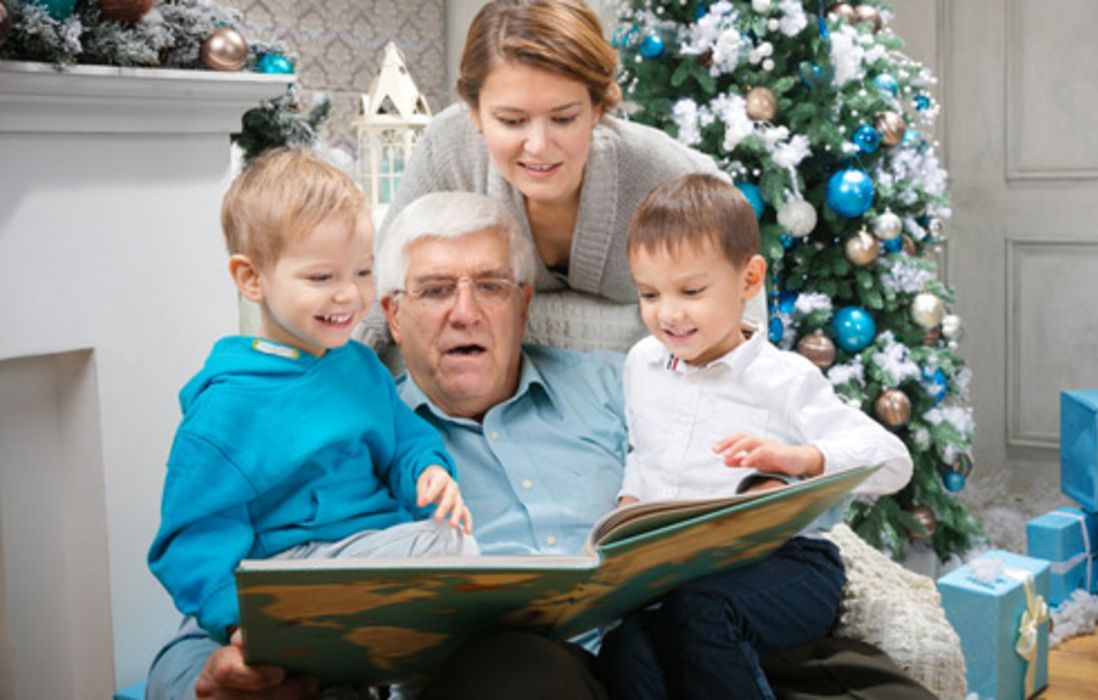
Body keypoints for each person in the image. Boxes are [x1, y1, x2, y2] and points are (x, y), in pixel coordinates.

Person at [147, 192, 936, 700]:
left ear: (524, 301)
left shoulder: (621, 380)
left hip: (695, 633)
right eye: (433, 290)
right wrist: (203, 678)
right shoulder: (356, 436)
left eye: (490, 285)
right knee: (510, 672)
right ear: (387, 307)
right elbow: (242, 583)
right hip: (544, 679)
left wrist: (772, 489)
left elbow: (754, 435)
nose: (464, 312)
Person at [145, 151, 474, 699]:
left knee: (451, 546)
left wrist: (428, 471)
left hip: (376, 549)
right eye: (321, 277)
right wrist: (238, 620)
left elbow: (405, 441)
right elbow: (190, 536)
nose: (349, 294)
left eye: (363, 271)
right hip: (291, 577)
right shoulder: (227, 408)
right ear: (251, 278)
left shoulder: (360, 366)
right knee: (446, 553)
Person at [597, 174, 914, 699]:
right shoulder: (642, 364)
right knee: (627, 645)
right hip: (681, 572)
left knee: (701, 612)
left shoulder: (784, 378)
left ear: (748, 280)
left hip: (787, 566)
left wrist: (800, 459)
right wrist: (630, 504)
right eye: (649, 294)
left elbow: (892, 460)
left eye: (692, 291)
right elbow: (643, 450)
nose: (668, 313)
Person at [357, 0, 767, 355]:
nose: (538, 145)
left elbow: (741, 321)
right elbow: (380, 291)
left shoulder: (669, 175)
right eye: (512, 120)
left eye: (564, 118)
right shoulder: (447, 147)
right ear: (475, 113)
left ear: (598, 108)